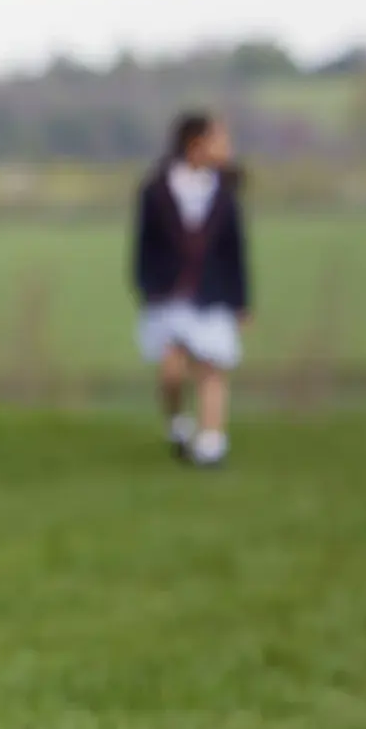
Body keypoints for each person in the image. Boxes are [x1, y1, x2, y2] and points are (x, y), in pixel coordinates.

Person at [132, 111, 251, 468]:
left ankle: (212, 444)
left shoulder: (225, 193)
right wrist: (147, 286)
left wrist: (242, 301)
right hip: (168, 296)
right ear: (195, 144)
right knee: (171, 372)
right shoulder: (156, 189)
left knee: (212, 366)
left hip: (212, 293)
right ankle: (179, 425)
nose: (226, 148)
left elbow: (235, 250)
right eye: (219, 140)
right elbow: (143, 246)